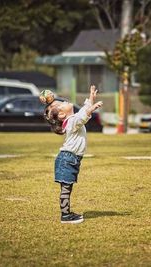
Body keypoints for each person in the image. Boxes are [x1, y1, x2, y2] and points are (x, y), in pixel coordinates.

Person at [42, 85, 103, 224]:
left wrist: (91, 98)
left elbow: (82, 112)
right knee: (66, 188)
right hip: (67, 159)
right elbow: (82, 117)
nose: (64, 101)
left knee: (67, 187)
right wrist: (92, 109)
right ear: (62, 115)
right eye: (61, 104)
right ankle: (65, 216)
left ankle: (67, 213)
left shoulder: (72, 119)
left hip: (70, 159)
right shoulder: (70, 123)